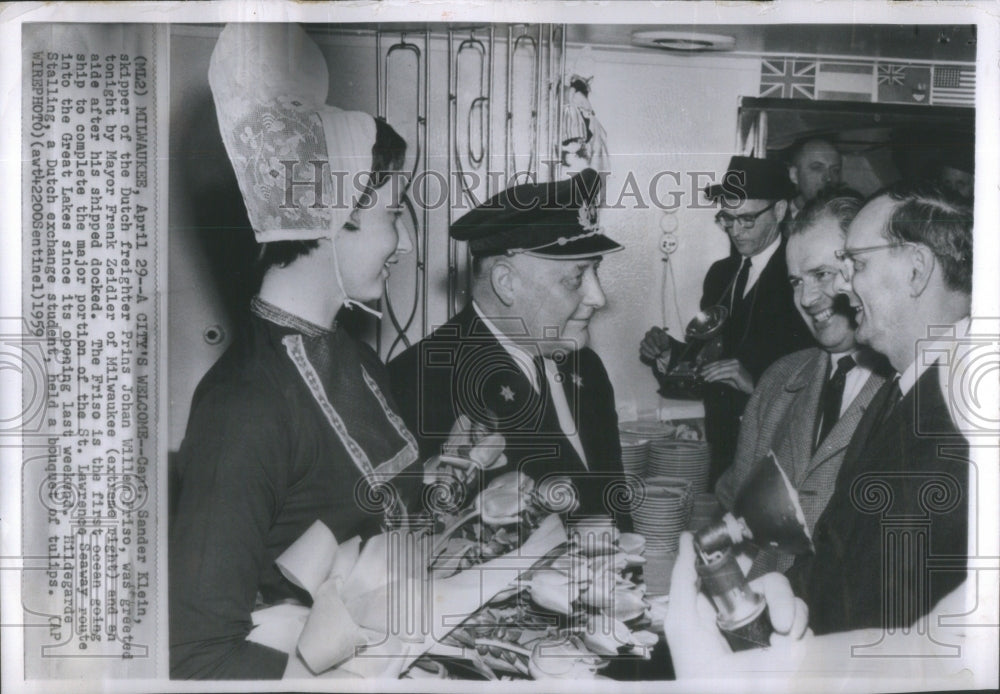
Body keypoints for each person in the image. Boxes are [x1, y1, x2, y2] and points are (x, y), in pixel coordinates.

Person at [169, 24, 500, 679]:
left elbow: (374, 515)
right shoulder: (246, 405)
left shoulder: (351, 356)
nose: (402, 243)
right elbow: (195, 656)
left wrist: (458, 470)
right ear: (329, 216)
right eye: (391, 214)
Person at [389, 169, 631, 527]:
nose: (597, 297)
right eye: (577, 277)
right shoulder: (422, 380)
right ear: (506, 283)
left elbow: (614, 511)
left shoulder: (585, 368)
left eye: (596, 272)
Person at [784, 182, 973, 635]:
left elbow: (882, 614)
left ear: (917, 270)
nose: (843, 285)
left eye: (858, 264)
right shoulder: (905, 385)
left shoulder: (959, 420)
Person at [714, 188, 889, 577]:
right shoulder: (779, 380)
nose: (807, 298)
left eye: (821, 274)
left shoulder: (905, 389)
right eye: (795, 282)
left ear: (860, 269)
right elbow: (735, 512)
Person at [641, 156, 812, 488]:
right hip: (723, 444)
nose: (735, 230)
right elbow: (707, 360)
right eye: (727, 219)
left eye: (747, 219)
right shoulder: (721, 275)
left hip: (776, 449)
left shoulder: (801, 276)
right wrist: (669, 354)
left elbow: (815, 374)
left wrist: (756, 385)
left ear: (779, 211)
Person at [785, 137, 843, 219]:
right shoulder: (778, 220)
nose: (829, 178)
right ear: (794, 175)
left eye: (835, 170)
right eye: (817, 168)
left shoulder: (847, 218)